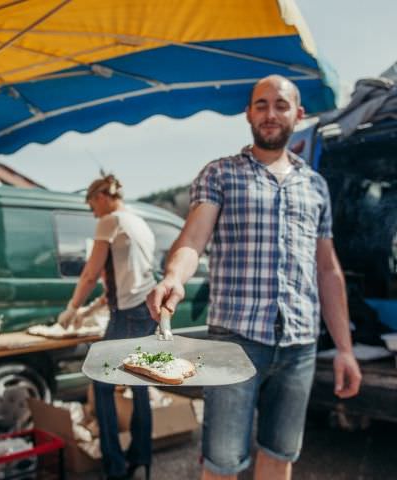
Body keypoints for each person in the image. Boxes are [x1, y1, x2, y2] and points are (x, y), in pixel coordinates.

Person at [147, 75, 362, 480]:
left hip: (299, 344)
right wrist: (174, 276)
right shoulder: (220, 173)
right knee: (222, 463)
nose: (270, 113)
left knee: (280, 454)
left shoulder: (315, 186)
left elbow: (328, 270)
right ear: (248, 113)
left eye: (280, 105)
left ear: (298, 114)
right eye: (261, 104)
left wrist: (346, 350)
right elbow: (194, 237)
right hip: (235, 341)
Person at [58, 174, 157, 480]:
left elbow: (91, 271)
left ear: (102, 197)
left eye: (91, 205)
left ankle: (114, 466)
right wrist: (95, 306)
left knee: (101, 385)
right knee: (140, 387)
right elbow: (129, 276)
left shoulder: (110, 220)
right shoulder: (139, 222)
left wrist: (72, 308)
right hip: (145, 310)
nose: (93, 213)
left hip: (126, 315)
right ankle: (141, 457)